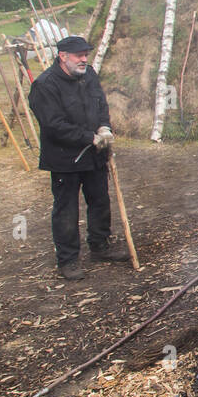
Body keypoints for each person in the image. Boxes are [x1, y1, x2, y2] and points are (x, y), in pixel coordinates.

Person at [28, 35, 131, 280]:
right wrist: (88, 137)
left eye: (86, 54)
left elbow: (101, 104)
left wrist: (104, 127)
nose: (84, 59)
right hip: (65, 158)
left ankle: (100, 245)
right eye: (78, 55)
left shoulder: (89, 75)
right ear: (62, 56)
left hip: (94, 155)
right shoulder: (45, 85)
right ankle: (68, 260)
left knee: (99, 200)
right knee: (66, 209)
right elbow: (53, 125)